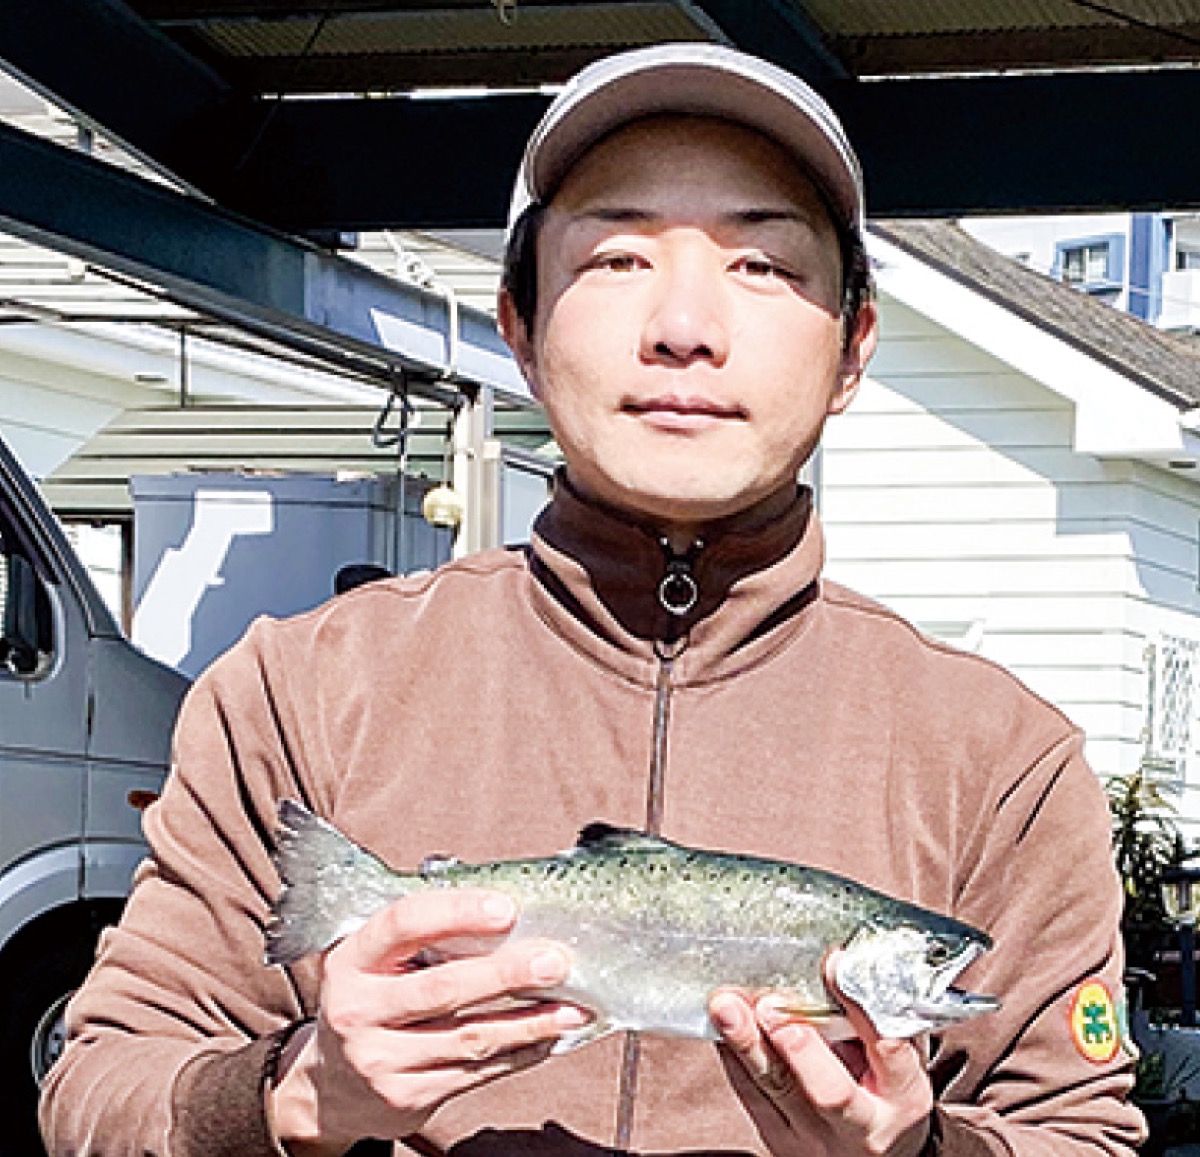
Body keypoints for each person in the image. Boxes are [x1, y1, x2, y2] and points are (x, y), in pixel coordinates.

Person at [41, 42, 1142, 1157]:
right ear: (518, 326)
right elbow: (97, 1091)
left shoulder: (1004, 760)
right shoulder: (298, 689)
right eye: (617, 257)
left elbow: (1082, 1132)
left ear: (853, 347)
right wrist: (289, 1094)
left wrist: (920, 1151)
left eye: (762, 265)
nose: (684, 326)